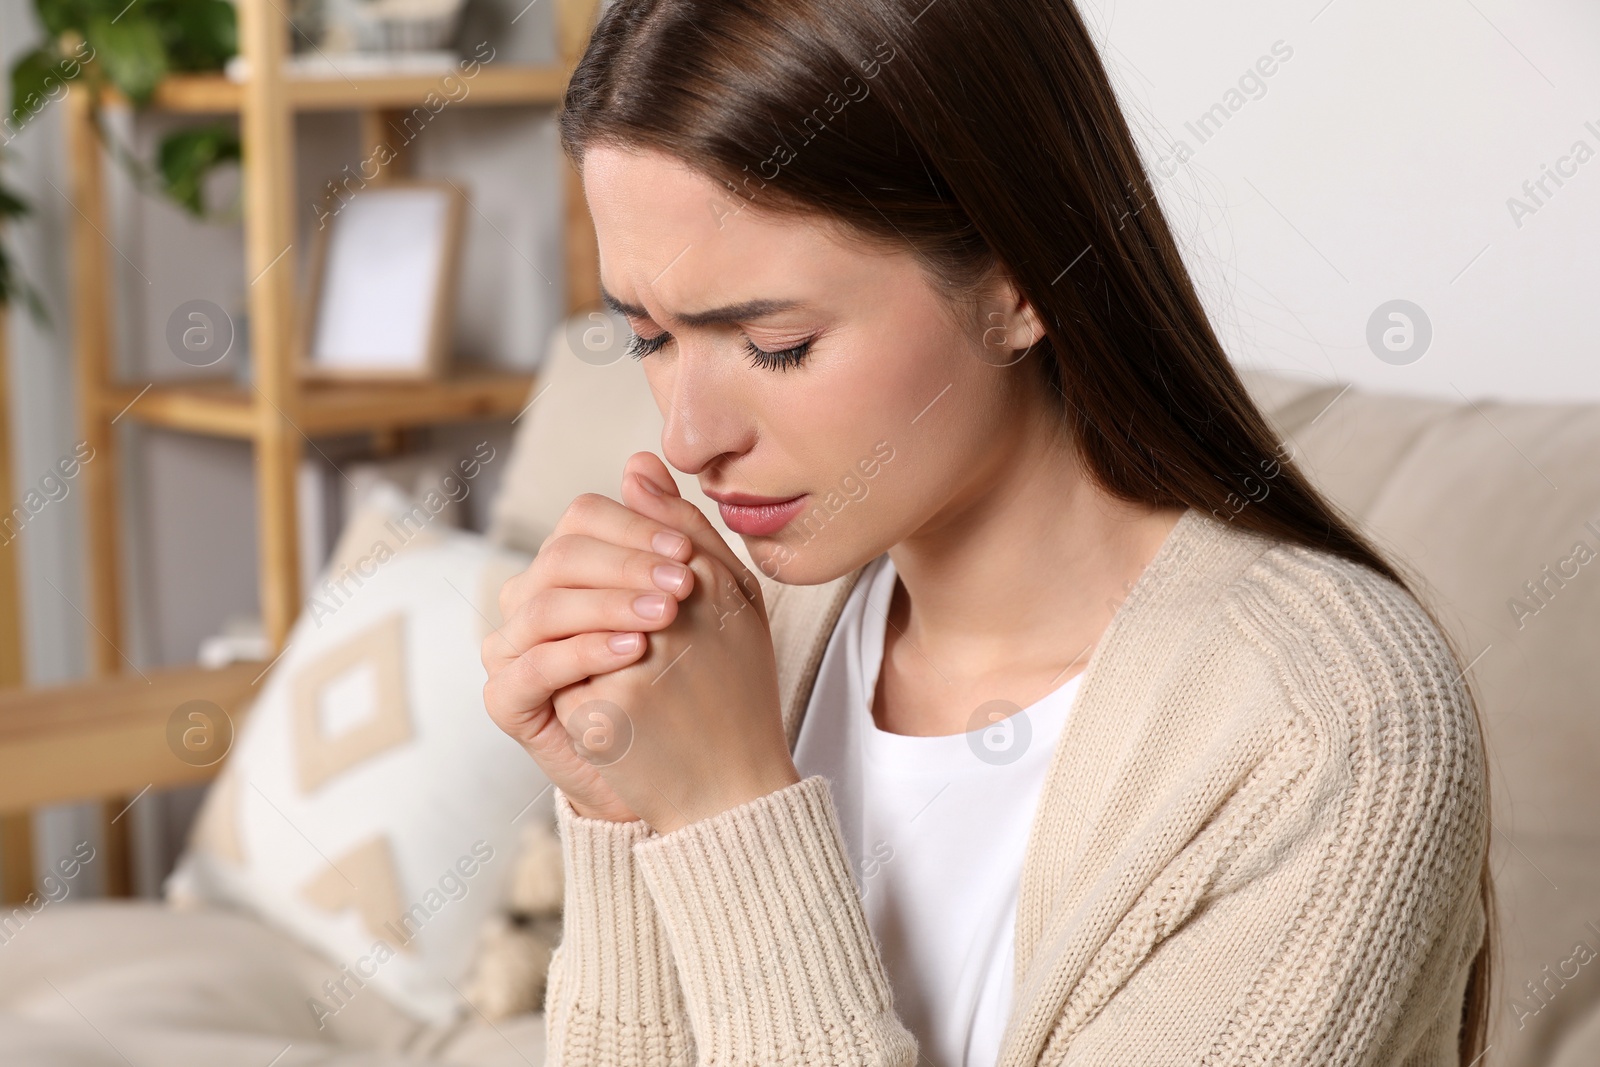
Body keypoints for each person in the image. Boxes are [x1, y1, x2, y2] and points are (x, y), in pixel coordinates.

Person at [481, 1, 1494, 1064]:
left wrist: (727, 807)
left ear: (1021, 279)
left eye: (775, 343)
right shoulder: (736, 637)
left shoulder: (1328, 725)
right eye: (645, 336)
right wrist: (618, 809)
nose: (687, 438)